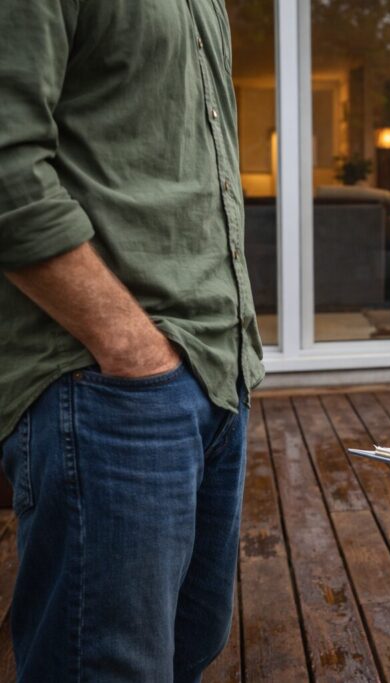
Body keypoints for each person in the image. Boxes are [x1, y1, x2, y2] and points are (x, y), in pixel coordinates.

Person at [0, 2, 263, 680]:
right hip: (106, 383)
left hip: (214, 373)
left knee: (187, 650)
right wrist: (132, 349)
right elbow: (7, 167)